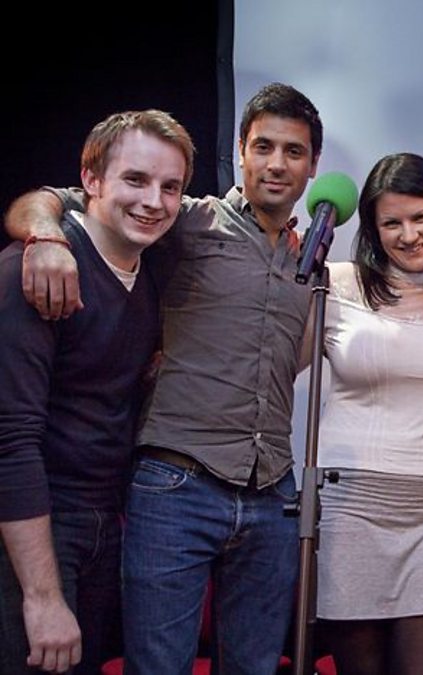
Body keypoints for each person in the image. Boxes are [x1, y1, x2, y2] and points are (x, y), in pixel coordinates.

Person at [4, 82, 322, 674]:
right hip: (178, 484)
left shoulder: (309, 259)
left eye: (294, 151)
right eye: (263, 147)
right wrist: (44, 236)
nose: (277, 164)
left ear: (313, 165)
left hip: (272, 491)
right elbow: (61, 201)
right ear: (241, 152)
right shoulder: (186, 219)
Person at [0, 110, 193, 675]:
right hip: (35, 530)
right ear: (90, 179)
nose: (153, 201)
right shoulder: (34, 270)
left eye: (170, 187)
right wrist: (42, 596)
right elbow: (10, 442)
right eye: (135, 180)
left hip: (105, 524)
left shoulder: (152, 269)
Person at [313, 153, 423, 675]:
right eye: (392, 223)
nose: (408, 235)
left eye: (420, 217)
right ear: (373, 228)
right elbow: (276, 363)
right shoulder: (335, 284)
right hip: (352, 506)